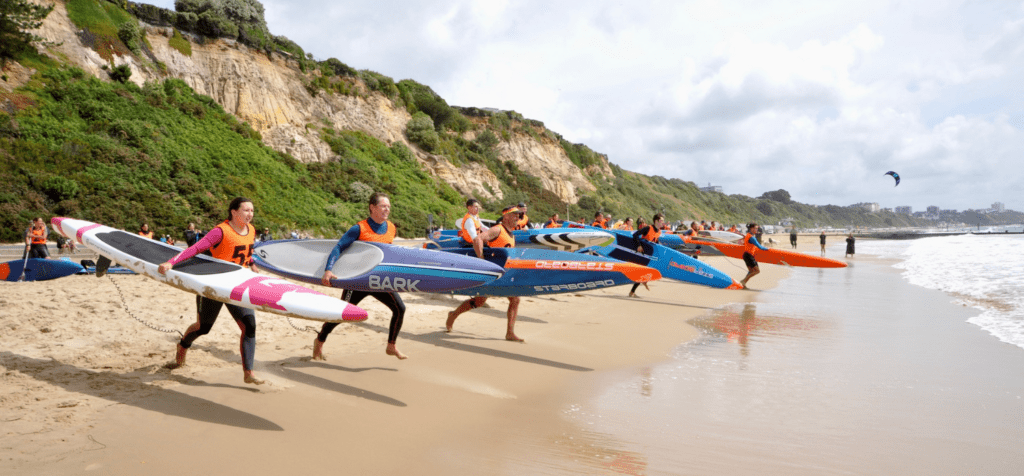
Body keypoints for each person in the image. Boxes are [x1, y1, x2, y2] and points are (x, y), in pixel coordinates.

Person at [157, 197, 264, 385]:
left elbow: (244, 252)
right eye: (246, 210)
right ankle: (182, 346)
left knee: (250, 326)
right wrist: (171, 262)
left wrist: (252, 264)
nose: (250, 214)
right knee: (204, 327)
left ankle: (249, 372)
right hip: (212, 285)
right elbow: (195, 249)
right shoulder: (220, 231)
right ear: (234, 212)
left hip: (236, 285)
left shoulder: (251, 230)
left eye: (252, 211)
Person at [315, 192, 408, 361]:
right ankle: (320, 340)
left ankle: (391, 345)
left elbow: (388, 254)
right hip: (357, 281)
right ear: (372, 207)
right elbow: (338, 247)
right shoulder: (359, 228)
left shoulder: (391, 228)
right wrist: (328, 269)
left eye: (389, 206)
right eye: (383, 206)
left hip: (378, 280)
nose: (387, 209)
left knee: (400, 308)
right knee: (341, 314)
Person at [446, 205, 525, 342]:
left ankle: (510, 333)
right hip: (492, 272)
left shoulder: (511, 234)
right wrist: (482, 262)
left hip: (503, 272)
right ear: (505, 216)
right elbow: (477, 240)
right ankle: (453, 314)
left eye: (518, 215)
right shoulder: (497, 229)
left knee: (515, 299)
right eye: (514, 215)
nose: (517, 217)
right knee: (479, 301)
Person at [628, 214, 664, 298]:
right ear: (656, 221)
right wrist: (639, 245)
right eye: (661, 221)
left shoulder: (659, 231)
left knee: (646, 272)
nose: (663, 223)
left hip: (649, 256)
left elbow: (656, 242)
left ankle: (635, 289)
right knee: (642, 272)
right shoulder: (648, 228)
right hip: (642, 254)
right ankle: (633, 291)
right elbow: (635, 235)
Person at [739, 222, 770, 289]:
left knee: (751, 271)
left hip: (745, 255)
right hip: (749, 256)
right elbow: (760, 247)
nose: (756, 230)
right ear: (751, 228)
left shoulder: (747, 235)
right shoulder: (752, 238)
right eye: (755, 228)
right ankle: (743, 281)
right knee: (757, 271)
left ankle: (742, 285)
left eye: (757, 228)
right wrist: (768, 249)